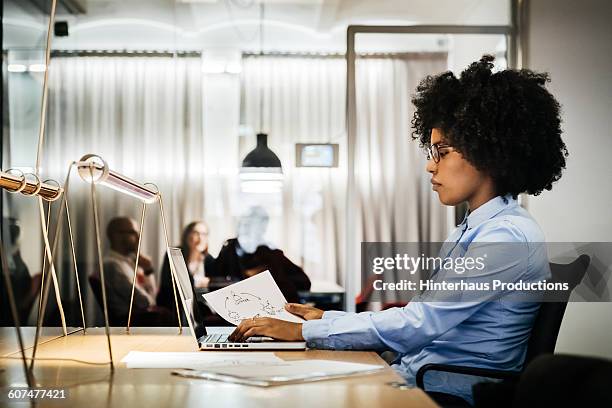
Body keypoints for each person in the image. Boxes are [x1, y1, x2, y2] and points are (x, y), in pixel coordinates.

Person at [228, 56, 568, 405]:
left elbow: (419, 323)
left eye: (442, 151)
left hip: (445, 391)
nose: (429, 164)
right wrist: (326, 318)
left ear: (488, 149)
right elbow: (418, 317)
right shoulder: (474, 229)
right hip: (420, 375)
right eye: (431, 150)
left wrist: (306, 330)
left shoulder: (504, 238)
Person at [213, 206, 311, 303]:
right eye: (246, 223)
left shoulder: (273, 254)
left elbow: (304, 282)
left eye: (256, 224)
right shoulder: (229, 249)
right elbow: (215, 284)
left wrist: (275, 280)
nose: (247, 227)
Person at [100, 216, 161, 324]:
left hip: (142, 319)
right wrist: (152, 299)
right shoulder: (112, 265)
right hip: (133, 324)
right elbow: (145, 302)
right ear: (115, 236)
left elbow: (152, 296)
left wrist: (148, 269)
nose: (138, 237)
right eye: (132, 232)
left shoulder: (130, 261)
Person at [157, 220, 216, 310]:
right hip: (175, 305)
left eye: (204, 234)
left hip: (201, 307)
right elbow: (168, 285)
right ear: (187, 235)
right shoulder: (174, 255)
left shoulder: (208, 259)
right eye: (196, 233)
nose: (200, 238)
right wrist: (197, 282)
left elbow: (214, 285)